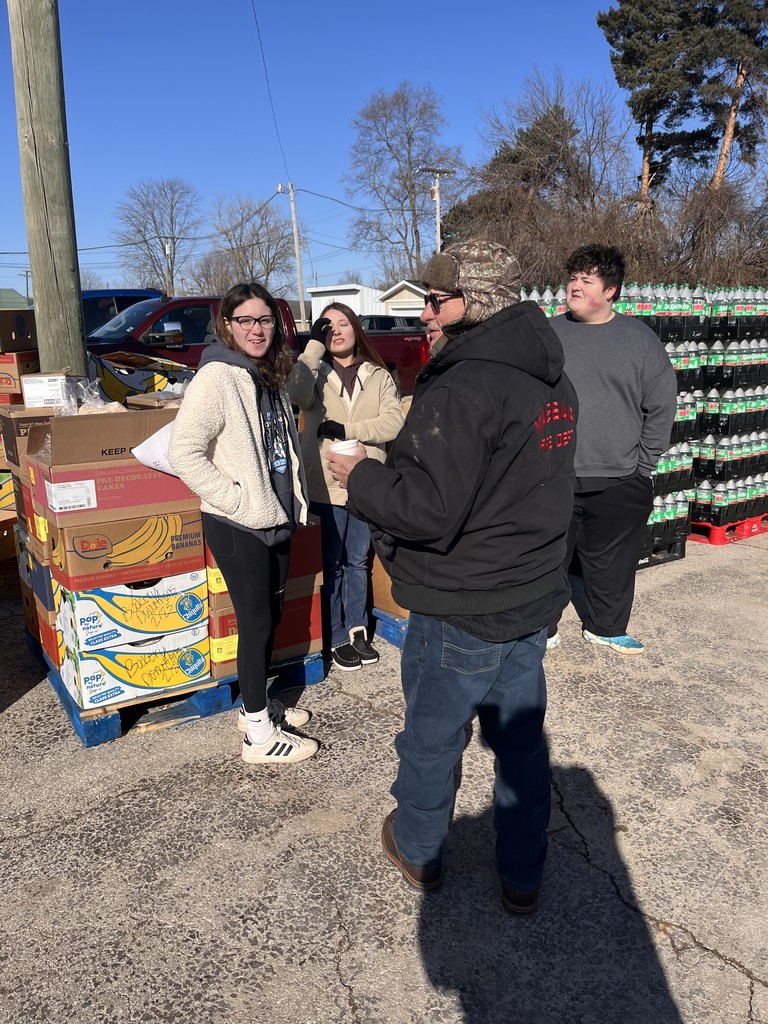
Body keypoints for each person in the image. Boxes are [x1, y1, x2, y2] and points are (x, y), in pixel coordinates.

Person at [326, 240, 577, 913]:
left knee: (432, 738)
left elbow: (429, 510)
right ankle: (522, 873)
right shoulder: (551, 373)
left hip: (463, 601)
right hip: (530, 598)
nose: (424, 316)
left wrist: (364, 477)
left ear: (474, 301)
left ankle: (419, 848)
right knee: (521, 743)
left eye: (434, 303)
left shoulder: (465, 384)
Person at [168, 282, 318, 765]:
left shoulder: (267, 371)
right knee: (255, 622)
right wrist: (234, 499)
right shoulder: (217, 377)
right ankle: (258, 734)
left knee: (269, 617)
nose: (257, 330)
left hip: (274, 514)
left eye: (265, 320)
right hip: (240, 522)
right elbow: (183, 453)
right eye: (246, 321)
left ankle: (256, 705)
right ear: (227, 326)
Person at [546, 244, 677, 655]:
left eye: (587, 279)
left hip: (619, 476)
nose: (575, 285)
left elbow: (661, 403)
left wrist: (643, 465)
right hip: (552, 474)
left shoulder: (638, 338)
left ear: (611, 291)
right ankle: (540, 628)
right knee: (545, 557)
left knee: (612, 562)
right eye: (572, 278)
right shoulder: (548, 334)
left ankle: (605, 626)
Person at [287, 303, 404, 671]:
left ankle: (356, 628)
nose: (336, 330)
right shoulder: (314, 371)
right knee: (332, 564)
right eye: (328, 325)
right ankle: (335, 634)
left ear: (356, 329)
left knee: (357, 560)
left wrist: (347, 430)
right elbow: (295, 395)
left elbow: (393, 424)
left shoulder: (378, 375)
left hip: (366, 482)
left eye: (343, 323)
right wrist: (312, 348)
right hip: (326, 484)